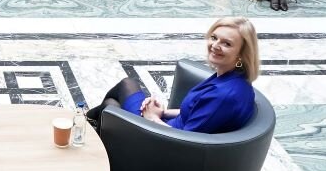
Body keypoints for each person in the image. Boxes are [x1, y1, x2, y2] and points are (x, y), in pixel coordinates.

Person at [87, 17, 259, 134]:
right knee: (111, 106)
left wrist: (153, 118)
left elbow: (187, 140)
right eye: (214, 38)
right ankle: (87, 124)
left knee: (118, 96)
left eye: (226, 43)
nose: (215, 46)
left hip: (165, 141)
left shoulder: (224, 96)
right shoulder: (231, 78)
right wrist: (162, 112)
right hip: (167, 127)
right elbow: (194, 113)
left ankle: (85, 124)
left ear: (241, 54)